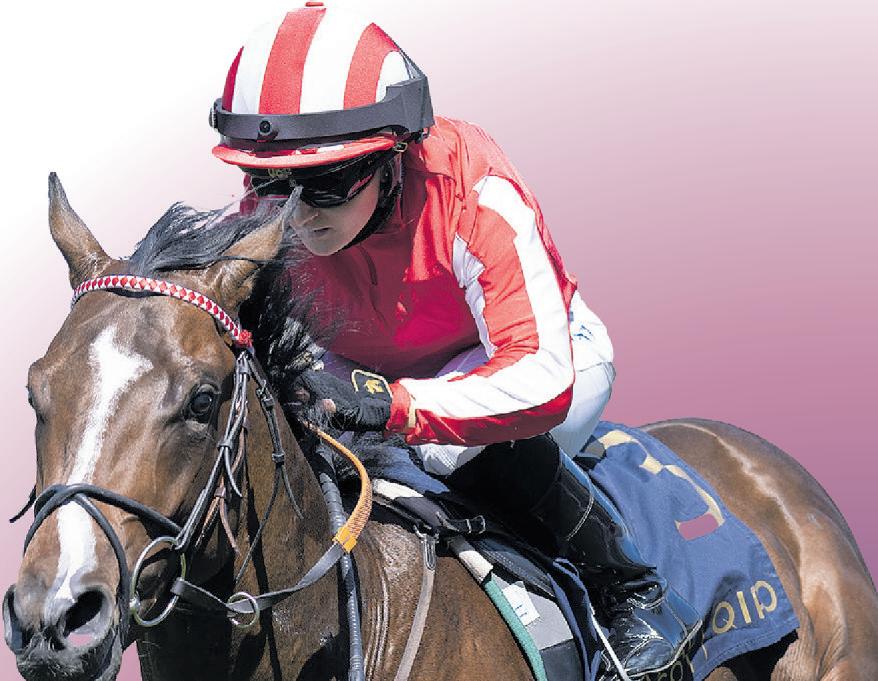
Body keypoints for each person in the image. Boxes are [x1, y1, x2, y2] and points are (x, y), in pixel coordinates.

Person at [209, 4, 699, 677]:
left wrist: (392, 406)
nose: (296, 214)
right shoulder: (267, 218)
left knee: (443, 448)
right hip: (368, 368)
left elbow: (540, 375)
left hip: (534, 359)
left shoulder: (475, 194)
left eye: (325, 182)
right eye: (270, 183)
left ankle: (630, 590)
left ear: (394, 153)